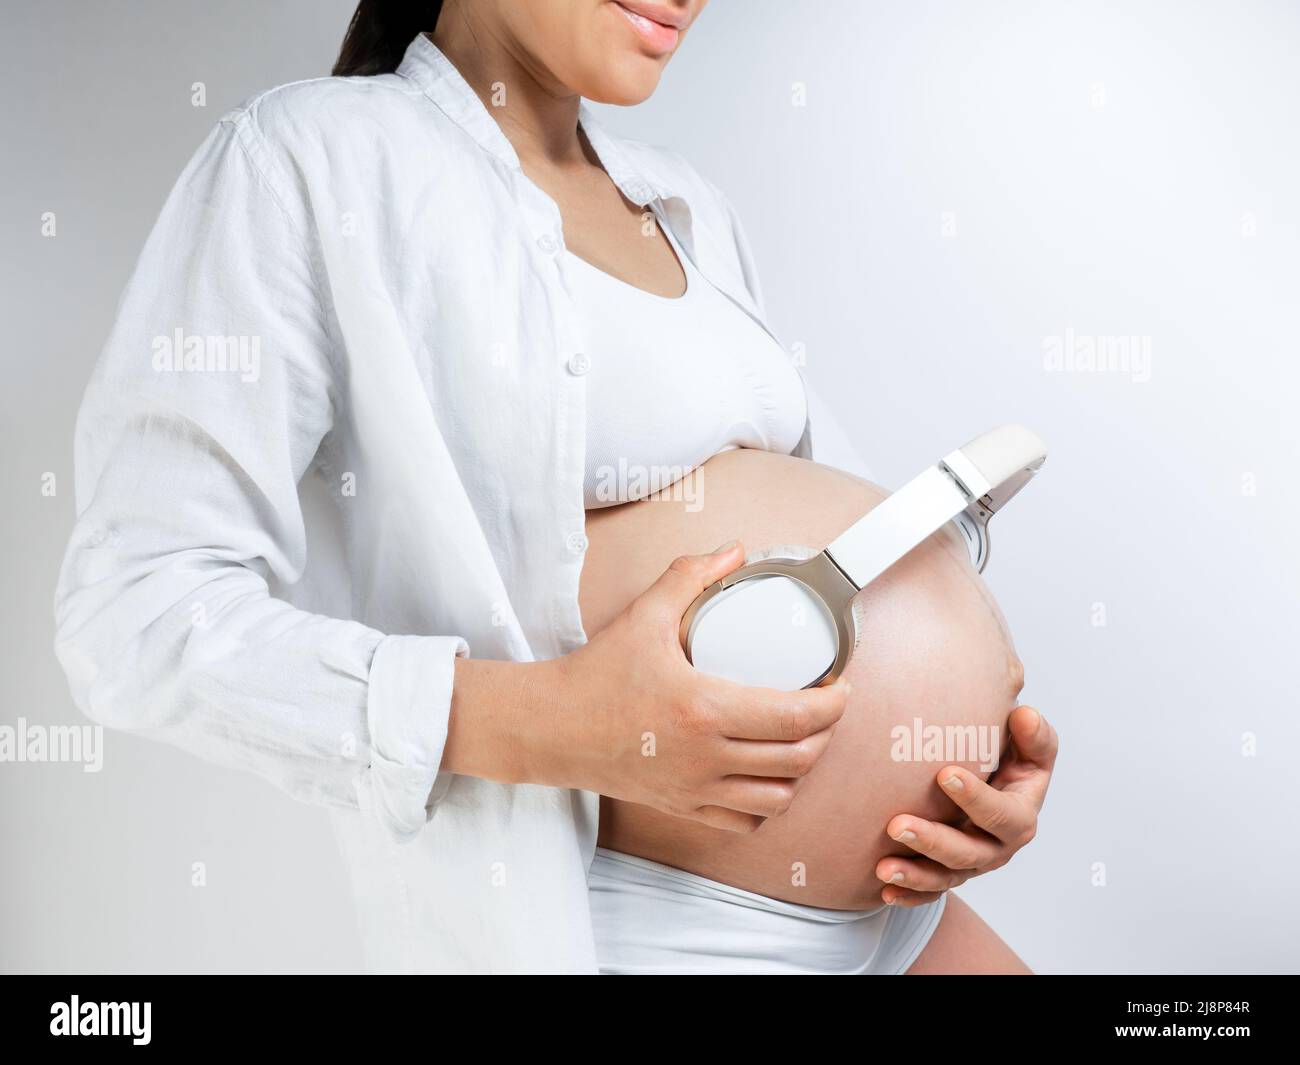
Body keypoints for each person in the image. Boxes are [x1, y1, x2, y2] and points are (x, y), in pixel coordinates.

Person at [54, 0, 1056, 973]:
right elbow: (136, 615)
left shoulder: (686, 207)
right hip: (639, 921)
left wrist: (961, 766)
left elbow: (828, 536)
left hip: (892, 905)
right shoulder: (309, 161)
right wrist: (554, 721)